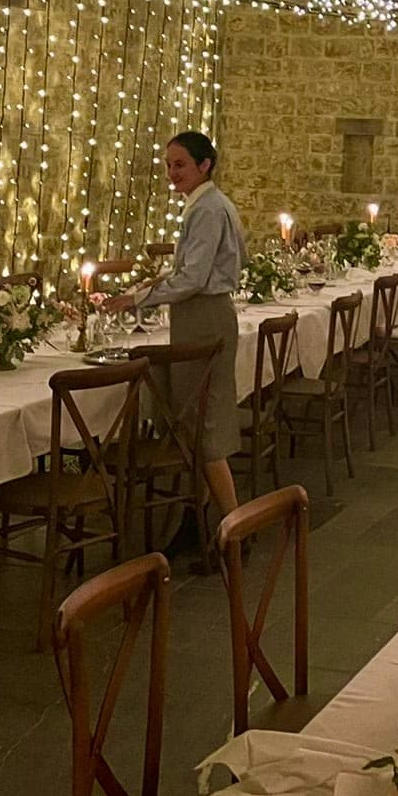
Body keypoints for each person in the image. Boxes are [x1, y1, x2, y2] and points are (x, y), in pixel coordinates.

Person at [100, 129, 244, 521]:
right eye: (168, 165)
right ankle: (196, 520)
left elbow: (195, 278)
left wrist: (138, 298)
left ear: (204, 165)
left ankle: (234, 527)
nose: (171, 173)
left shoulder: (208, 209)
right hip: (201, 315)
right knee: (193, 421)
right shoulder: (208, 204)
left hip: (204, 318)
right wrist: (156, 283)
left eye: (179, 165)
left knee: (203, 426)